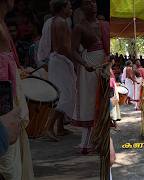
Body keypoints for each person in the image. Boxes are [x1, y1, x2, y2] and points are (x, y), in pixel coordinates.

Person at [38, 0, 85, 141]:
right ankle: (48, 127)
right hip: (61, 61)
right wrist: (78, 60)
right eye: (69, 7)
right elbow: (63, 47)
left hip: (58, 60)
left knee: (64, 93)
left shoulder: (55, 21)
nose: (71, 9)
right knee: (65, 95)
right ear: (62, 8)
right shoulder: (60, 23)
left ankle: (60, 128)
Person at [0, 0, 34, 178]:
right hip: (4, 99)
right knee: (8, 159)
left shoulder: (3, 22)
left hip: (9, 94)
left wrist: (18, 71)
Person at [71, 0, 109, 154]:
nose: (92, 5)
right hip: (90, 66)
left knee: (105, 101)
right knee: (90, 102)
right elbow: (72, 50)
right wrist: (84, 64)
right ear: (82, 8)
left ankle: (102, 140)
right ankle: (86, 143)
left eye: (93, 2)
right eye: (87, 3)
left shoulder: (105, 24)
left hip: (104, 64)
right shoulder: (79, 27)